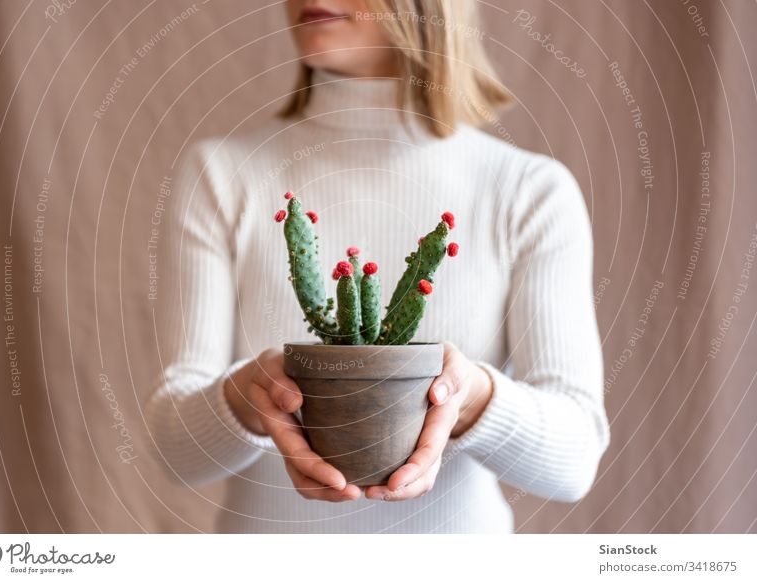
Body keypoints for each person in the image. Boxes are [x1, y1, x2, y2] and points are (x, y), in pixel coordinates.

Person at [145, 0, 610, 533]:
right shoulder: (221, 176)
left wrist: (469, 395)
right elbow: (175, 453)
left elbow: (574, 462)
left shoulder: (529, 193)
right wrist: (252, 397)